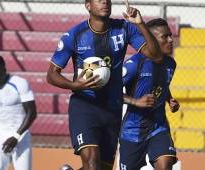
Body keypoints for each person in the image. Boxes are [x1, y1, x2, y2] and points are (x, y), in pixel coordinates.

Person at [47, 0, 164, 169]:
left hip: (112, 109)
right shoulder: (74, 35)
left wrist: (141, 24)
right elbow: (51, 75)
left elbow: (156, 56)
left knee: (102, 167)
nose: (104, 2)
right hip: (85, 106)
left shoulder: (124, 28)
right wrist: (75, 85)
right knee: (92, 160)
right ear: (88, 5)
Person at [120, 18, 180, 170]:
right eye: (165, 36)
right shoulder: (135, 64)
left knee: (165, 164)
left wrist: (169, 99)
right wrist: (135, 101)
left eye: (170, 35)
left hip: (158, 127)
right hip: (133, 131)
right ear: (151, 39)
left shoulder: (171, 64)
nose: (170, 40)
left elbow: (161, 84)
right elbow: (110, 91)